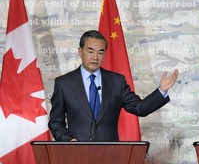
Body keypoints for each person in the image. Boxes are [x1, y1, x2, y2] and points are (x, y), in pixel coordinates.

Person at [48, 30, 179, 141]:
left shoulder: (116, 82)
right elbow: (55, 123)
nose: (95, 57)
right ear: (80, 51)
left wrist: (161, 90)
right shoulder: (63, 83)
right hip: (77, 156)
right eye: (90, 51)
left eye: (100, 52)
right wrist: (69, 141)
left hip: (111, 155)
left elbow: (140, 108)